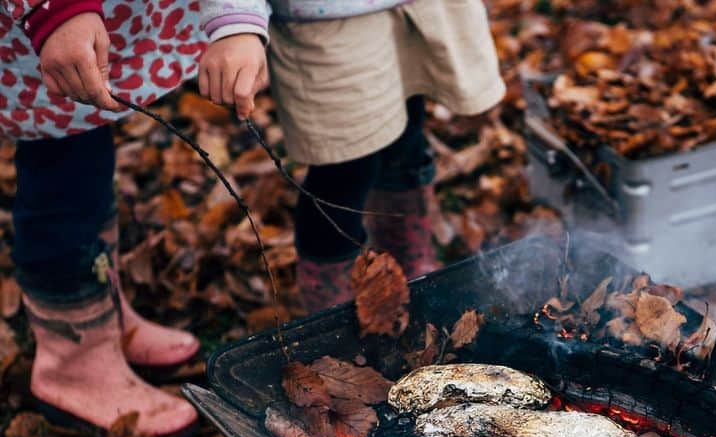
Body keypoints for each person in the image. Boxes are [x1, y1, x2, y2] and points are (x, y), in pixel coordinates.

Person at [197, 0, 506, 312]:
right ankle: (333, 308)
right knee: (345, 168)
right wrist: (235, 23)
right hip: (330, 24)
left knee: (408, 135)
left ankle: (408, 264)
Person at [0, 0, 220, 437]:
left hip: (92, 19)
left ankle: (99, 317)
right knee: (62, 179)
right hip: (45, 28)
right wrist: (52, 9)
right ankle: (73, 364)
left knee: (85, 156)